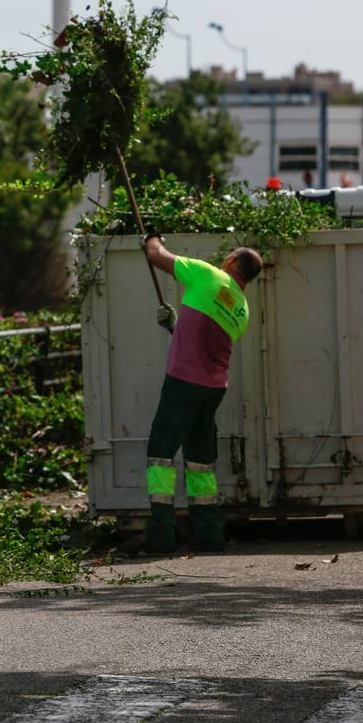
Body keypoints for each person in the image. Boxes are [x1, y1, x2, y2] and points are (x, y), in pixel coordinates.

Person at [137, 236, 263, 553]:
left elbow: (156, 255)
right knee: (200, 460)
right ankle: (209, 534)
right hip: (212, 389)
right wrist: (174, 326)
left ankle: (161, 536)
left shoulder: (208, 274)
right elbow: (205, 340)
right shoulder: (241, 310)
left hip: (183, 382)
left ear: (233, 263)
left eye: (229, 255)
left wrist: (151, 238)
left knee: (160, 453)